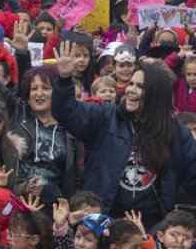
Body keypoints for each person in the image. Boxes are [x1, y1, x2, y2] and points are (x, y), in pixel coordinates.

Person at [54, 41, 196, 227]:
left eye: (139, 86)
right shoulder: (106, 117)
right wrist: (65, 80)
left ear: (156, 93)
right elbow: (68, 114)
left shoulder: (178, 135)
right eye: (131, 84)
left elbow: (191, 184)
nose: (130, 90)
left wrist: (168, 222)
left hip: (152, 232)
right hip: (102, 226)